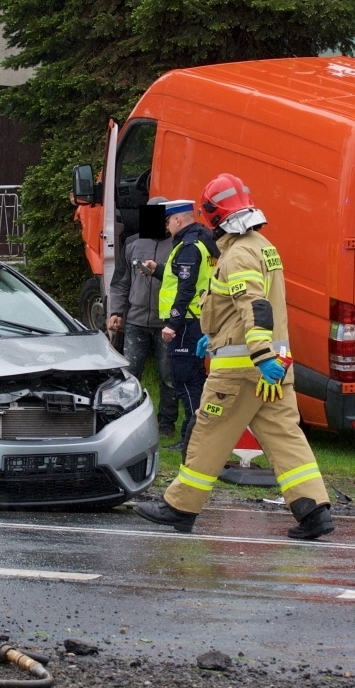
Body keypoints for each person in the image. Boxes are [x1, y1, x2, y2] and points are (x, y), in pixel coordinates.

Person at [136, 175, 334, 540]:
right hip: (273, 369)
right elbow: (241, 307)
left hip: (241, 372)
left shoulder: (238, 253)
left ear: (214, 215)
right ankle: (313, 511)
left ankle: (180, 507)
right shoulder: (262, 246)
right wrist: (212, 338)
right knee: (285, 438)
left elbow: (253, 307)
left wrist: (258, 355)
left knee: (208, 435)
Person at [107, 198, 179, 439]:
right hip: (136, 321)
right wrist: (116, 311)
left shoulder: (180, 245)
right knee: (129, 375)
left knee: (169, 377)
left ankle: (167, 425)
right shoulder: (132, 243)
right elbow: (119, 283)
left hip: (167, 323)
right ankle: (128, 421)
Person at [157, 199, 216, 452]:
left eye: (168, 221)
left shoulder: (189, 246)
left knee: (186, 382)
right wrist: (156, 270)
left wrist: (173, 323)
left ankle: (191, 439)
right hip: (197, 319)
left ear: (178, 220)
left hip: (186, 322)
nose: (167, 226)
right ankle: (197, 436)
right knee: (196, 379)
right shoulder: (204, 241)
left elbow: (186, 287)